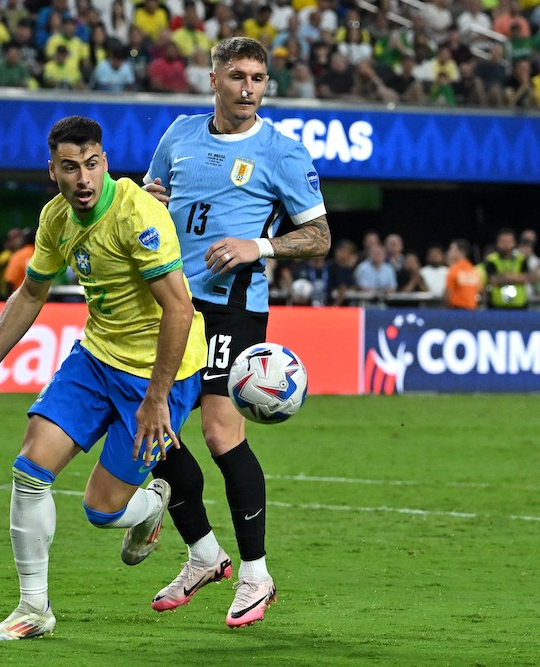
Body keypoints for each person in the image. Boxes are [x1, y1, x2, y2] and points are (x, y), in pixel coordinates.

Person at [0, 115, 205, 640]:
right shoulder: (55, 218)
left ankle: (152, 504)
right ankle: (33, 610)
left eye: (92, 164)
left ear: (104, 161)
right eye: (70, 168)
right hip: (97, 356)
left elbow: (179, 310)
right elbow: (31, 293)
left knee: (102, 513)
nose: (83, 179)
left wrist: (155, 400)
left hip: (158, 373)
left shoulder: (138, 215)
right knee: (29, 469)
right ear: (52, 170)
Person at [143, 37, 331, 628]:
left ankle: (255, 573)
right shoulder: (179, 134)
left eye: (257, 78)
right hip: (167, 300)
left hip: (232, 308)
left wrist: (260, 245)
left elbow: (320, 236)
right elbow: (153, 203)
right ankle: (202, 552)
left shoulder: (282, 152)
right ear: (213, 80)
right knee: (149, 424)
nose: (248, 88)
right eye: (237, 76)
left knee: (221, 432)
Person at [484, 228, 535, 309]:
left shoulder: (521, 259)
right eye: (503, 241)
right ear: (497, 243)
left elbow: (525, 278)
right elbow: (493, 280)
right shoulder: (491, 260)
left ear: (514, 243)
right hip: (497, 306)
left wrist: (504, 277)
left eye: (508, 241)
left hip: (519, 305)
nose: (506, 244)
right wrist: (514, 277)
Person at [443, 238, 482, 310]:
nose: (449, 253)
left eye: (452, 250)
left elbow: (448, 293)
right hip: (472, 310)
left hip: (456, 311)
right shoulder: (474, 270)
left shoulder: (454, 270)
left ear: (461, 251)